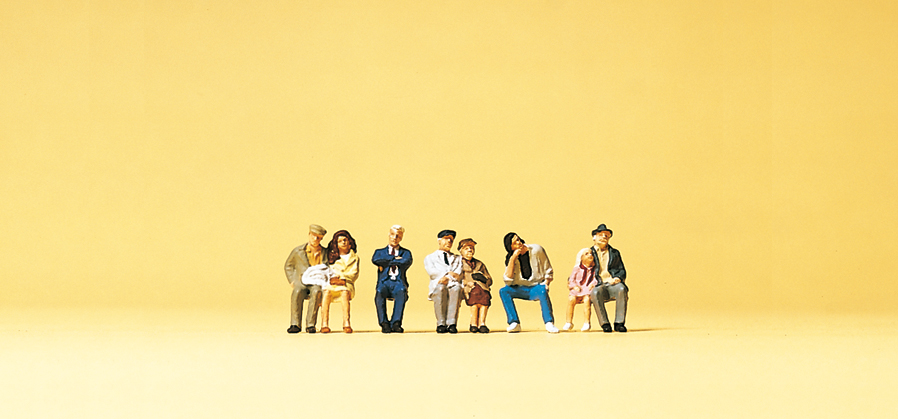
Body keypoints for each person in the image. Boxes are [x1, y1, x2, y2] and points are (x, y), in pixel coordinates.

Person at [499, 232, 558, 333]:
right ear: (510, 247)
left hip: (536, 287)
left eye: (518, 239)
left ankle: (549, 322)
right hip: (520, 288)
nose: (519, 243)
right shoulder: (511, 258)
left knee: (542, 291)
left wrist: (547, 282)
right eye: (515, 243)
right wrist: (513, 258)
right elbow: (508, 280)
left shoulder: (536, 250)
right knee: (504, 291)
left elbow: (547, 268)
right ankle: (514, 322)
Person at [283, 224, 327, 334]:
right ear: (309, 235)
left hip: (317, 281)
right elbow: (288, 265)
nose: (315, 239)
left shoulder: (324, 252)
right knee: (297, 292)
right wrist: (292, 280)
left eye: (318, 237)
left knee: (316, 292)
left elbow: (329, 267)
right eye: (313, 235)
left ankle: (310, 324)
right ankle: (295, 324)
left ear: (321, 239)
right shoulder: (298, 251)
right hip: (302, 281)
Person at [371, 225, 413, 333]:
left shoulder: (406, 253)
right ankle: (384, 323)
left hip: (398, 281)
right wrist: (394, 258)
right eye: (393, 234)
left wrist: (386, 261)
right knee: (379, 292)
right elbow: (376, 260)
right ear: (389, 235)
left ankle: (396, 322)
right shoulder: (379, 252)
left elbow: (406, 261)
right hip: (385, 281)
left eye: (398, 236)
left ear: (401, 238)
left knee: (401, 291)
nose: (395, 238)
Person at [588, 224, 629, 333]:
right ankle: (604, 323)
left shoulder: (614, 253)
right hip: (598, 283)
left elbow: (622, 270)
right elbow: (580, 268)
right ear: (594, 237)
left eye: (606, 235)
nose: (604, 237)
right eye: (600, 235)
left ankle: (619, 323)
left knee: (621, 289)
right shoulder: (588, 253)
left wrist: (618, 277)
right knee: (595, 292)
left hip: (612, 283)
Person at [424, 230, 464, 334]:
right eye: (446, 239)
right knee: (440, 289)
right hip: (438, 283)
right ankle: (441, 323)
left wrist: (448, 277)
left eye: (451, 240)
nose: (449, 242)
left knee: (457, 289)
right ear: (439, 241)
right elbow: (432, 271)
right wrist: (447, 274)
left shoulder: (458, 258)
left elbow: (458, 273)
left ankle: (452, 323)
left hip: (453, 283)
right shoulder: (430, 257)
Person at [320, 230, 360, 334]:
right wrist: (333, 278)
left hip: (346, 284)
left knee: (344, 293)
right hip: (332, 283)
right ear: (336, 244)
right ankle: (324, 324)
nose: (343, 242)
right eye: (340, 241)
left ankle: (346, 323)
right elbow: (328, 271)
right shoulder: (331, 258)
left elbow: (354, 273)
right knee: (326, 292)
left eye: (345, 240)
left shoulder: (354, 258)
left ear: (350, 242)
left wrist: (342, 278)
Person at [457, 238, 492, 333]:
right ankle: (473, 323)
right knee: (474, 301)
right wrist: (466, 283)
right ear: (461, 251)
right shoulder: (458, 264)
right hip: (469, 289)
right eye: (466, 248)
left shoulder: (479, 264)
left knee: (485, 301)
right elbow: (456, 278)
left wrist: (484, 278)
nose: (470, 250)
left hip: (482, 288)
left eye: (471, 248)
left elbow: (489, 279)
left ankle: (482, 323)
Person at [563, 248, 597, 332]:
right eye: (586, 254)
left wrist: (593, 284)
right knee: (571, 299)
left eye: (591, 254)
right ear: (581, 258)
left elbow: (596, 278)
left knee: (587, 300)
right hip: (578, 289)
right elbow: (571, 279)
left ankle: (586, 323)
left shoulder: (594, 269)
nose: (590, 255)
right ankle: (568, 322)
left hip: (587, 289)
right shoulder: (577, 268)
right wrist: (574, 286)